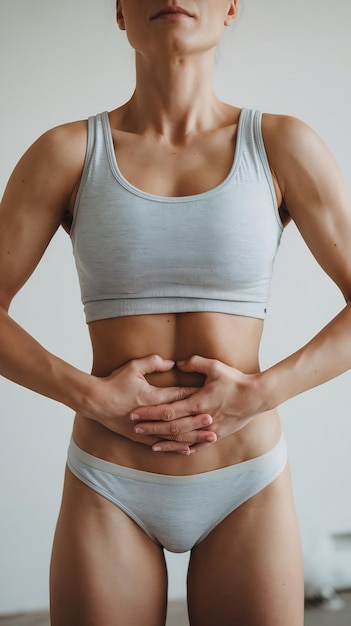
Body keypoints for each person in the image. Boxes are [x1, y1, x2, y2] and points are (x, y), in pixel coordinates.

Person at [1, 1, 350, 624]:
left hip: (246, 480)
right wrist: (93, 397)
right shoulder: (66, 152)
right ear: (119, 13)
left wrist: (260, 393)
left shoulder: (280, 144)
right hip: (110, 482)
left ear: (231, 9)